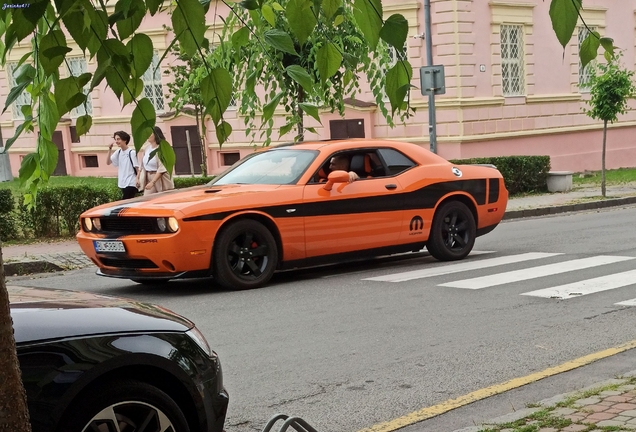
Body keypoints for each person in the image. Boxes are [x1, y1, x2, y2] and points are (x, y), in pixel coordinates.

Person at [138, 127, 174, 195]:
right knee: (147, 199)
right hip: (149, 176)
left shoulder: (163, 148)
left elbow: (162, 168)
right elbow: (142, 165)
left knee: (163, 199)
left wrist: (153, 182)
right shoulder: (147, 148)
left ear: (156, 134)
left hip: (160, 178)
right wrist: (138, 177)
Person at [106, 131, 139, 200]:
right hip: (122, 182)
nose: (116, 141)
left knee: (125, 203)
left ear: (125, 140)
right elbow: (108, 162)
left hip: (131, 182)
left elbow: (137, 168)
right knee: (128, 203)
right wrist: (109, 149)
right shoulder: (118, 152)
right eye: (115, 139)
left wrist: (137, 179)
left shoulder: (131, 153)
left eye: (118, 139)